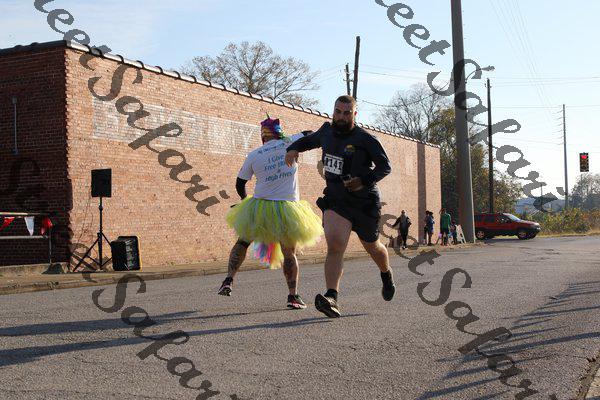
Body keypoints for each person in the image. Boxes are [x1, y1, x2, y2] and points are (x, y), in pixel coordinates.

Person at [285, 95, 395, 318]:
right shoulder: (326, 131)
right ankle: (332, 297)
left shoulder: (366, 139)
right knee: (335, 245)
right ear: (333, 111)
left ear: (355, 114)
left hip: (364, 202)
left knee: (373, 247)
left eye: (347, 113)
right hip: (337, 200)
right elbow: (308, 141)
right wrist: (293, 148)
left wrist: (363, 181)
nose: (341, 117)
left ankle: (386, 274)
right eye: (338, 112)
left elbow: (385, 166)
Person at [218, 116, 323, 310]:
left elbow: (240, 183)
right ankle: (293, 296)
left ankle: (228, 279)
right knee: (288, 252)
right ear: (279, 132)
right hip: (288, 208)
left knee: (243, 241)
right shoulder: (291, 141)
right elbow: (310, 134)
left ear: (263, 136)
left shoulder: (254, 154)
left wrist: (245, 201)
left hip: (259, 206)